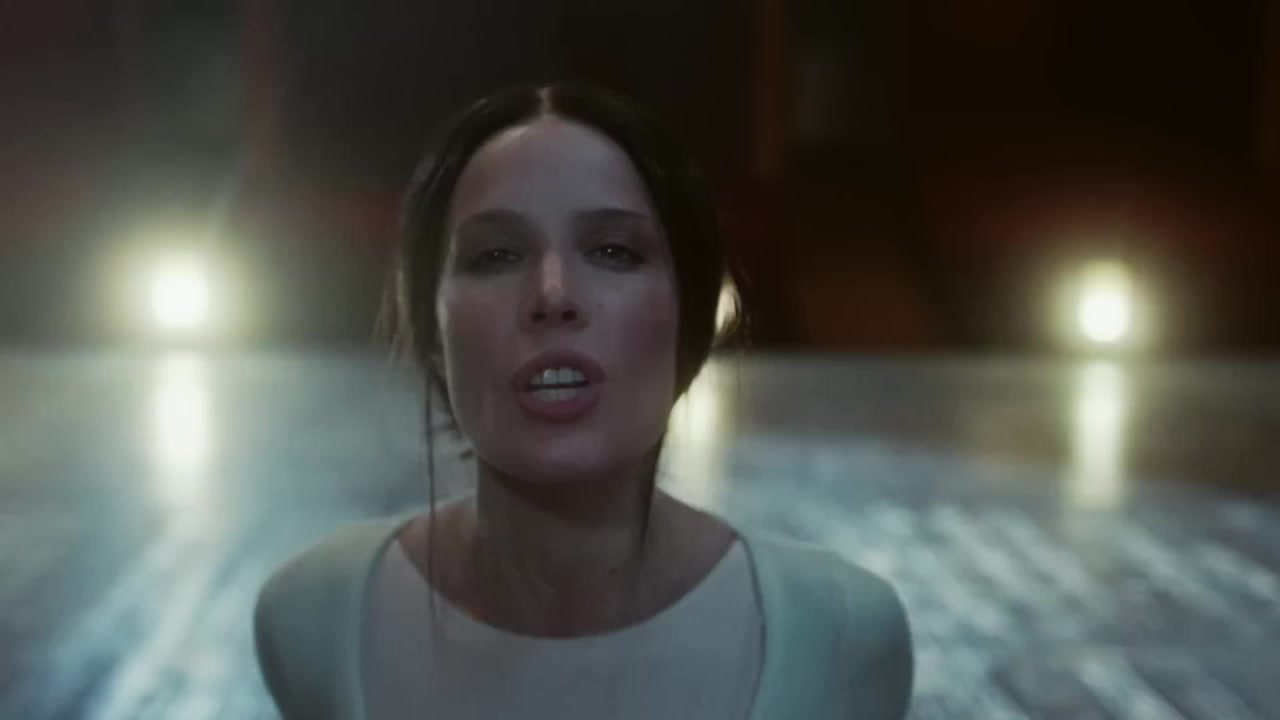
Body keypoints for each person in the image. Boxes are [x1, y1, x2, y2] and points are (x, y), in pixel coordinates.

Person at [253, 80, 913, 719]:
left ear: (689, 317)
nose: (553, 294)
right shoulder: (323, 616)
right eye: (496, 255)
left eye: (613, 250)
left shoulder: (838, 634)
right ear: (432, 332)